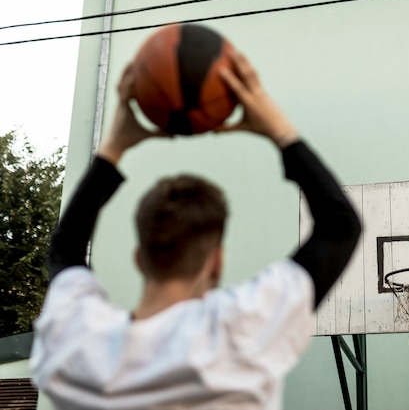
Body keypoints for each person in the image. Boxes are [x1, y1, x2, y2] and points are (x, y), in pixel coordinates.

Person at [30, 51, 361, 410]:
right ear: (216, 263)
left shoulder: (77, 345)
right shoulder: (240, 333)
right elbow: (340, 225)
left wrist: (113, 147)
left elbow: (64, 252)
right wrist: (277, 128)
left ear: (139, 259)